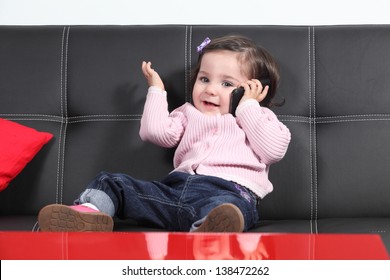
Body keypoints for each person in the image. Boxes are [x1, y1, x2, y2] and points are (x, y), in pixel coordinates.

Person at [38, 35, 291, 232]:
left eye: (226, 84)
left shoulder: (259, 118)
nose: (210, 90)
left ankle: (209, 230)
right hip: (171, 193)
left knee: (227, 209)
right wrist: (156, 91)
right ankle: (87, 215)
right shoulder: (187, 113)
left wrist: (248, 106)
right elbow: (154, 133)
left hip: (227, 193)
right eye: (204, 79)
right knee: (113, 182)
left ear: (254, 90)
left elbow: (273, 150)